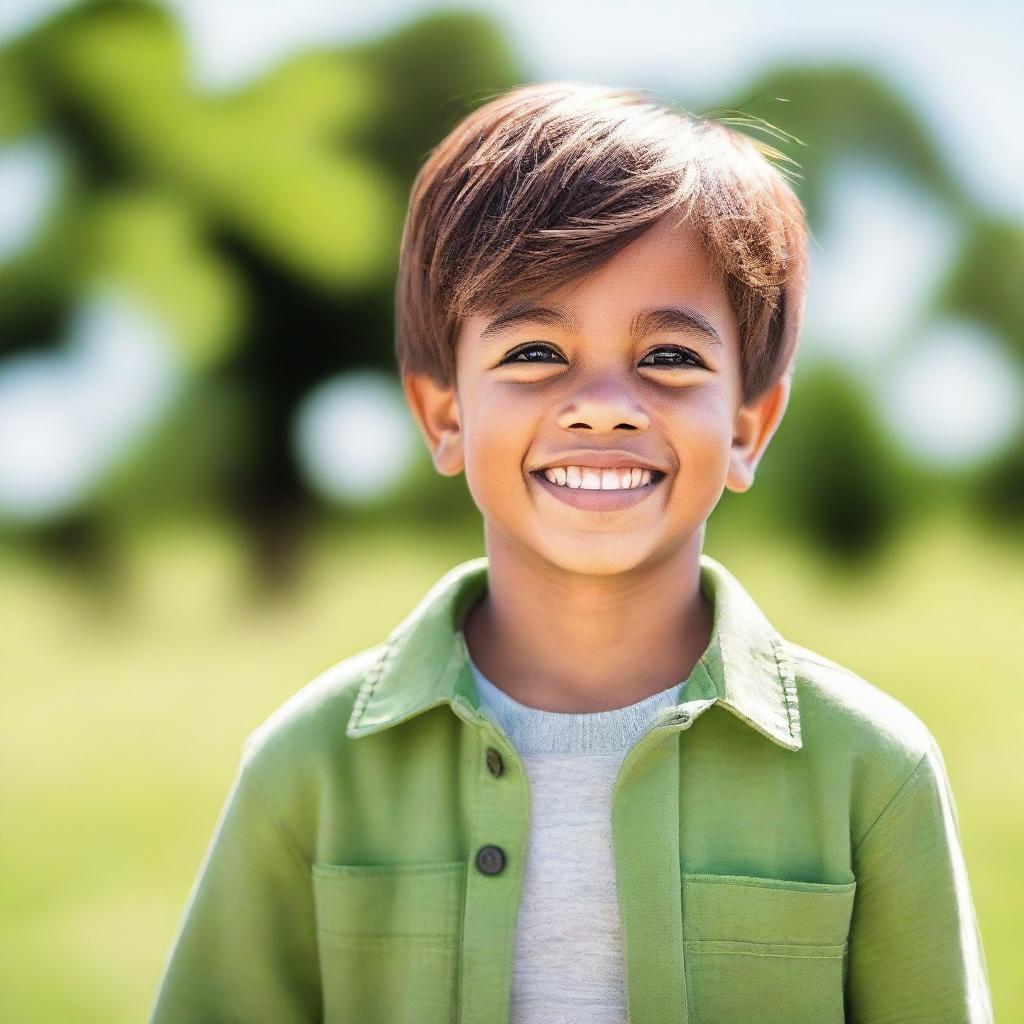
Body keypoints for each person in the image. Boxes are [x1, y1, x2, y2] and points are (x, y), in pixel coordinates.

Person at [148, 81, 994, 1024]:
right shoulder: (307, 770)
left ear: (750, 425)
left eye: (670, 357)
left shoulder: (873, 772)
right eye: (533, 352)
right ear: (444, 414)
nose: (602, 403)